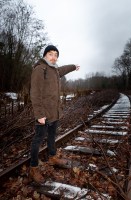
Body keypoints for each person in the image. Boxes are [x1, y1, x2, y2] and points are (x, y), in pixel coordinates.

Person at [29, 45, 80, 183]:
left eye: (56, 55)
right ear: (45, 55)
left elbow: (62, 70)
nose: (54, 57)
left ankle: (52, 157)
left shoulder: (54, 70)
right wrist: (39, 114)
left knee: (52, 136)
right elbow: (35, 93)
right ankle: (33, 167)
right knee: (38, 140)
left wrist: (74, 66)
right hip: (43, 114)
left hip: (54, 112)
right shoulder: (40, 69)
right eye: (50, 54)